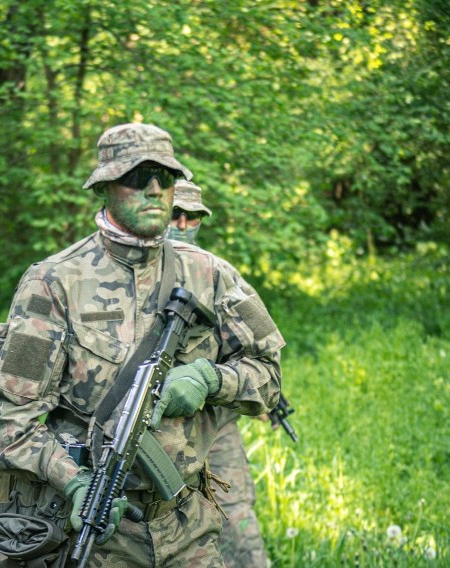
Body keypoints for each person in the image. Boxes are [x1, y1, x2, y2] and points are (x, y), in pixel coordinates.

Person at [0, 123, 285, 568]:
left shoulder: (212, 275)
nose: (155, 189)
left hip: (188, 530)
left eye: (165, 177)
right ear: (105, 185)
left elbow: (270, 376)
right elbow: (10, 420)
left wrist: (210, 378)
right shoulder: (53, 283)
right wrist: (73, 484)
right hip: (98, 532)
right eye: (138, 176)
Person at [168, 180, 269, 568]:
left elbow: (258, 358)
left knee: (237, 522)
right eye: (176, 213)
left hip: (213, 425)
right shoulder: (127, 278)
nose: (183, 223)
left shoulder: (217, 276)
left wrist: (221, 382)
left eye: (192, 216)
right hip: (149, 428)